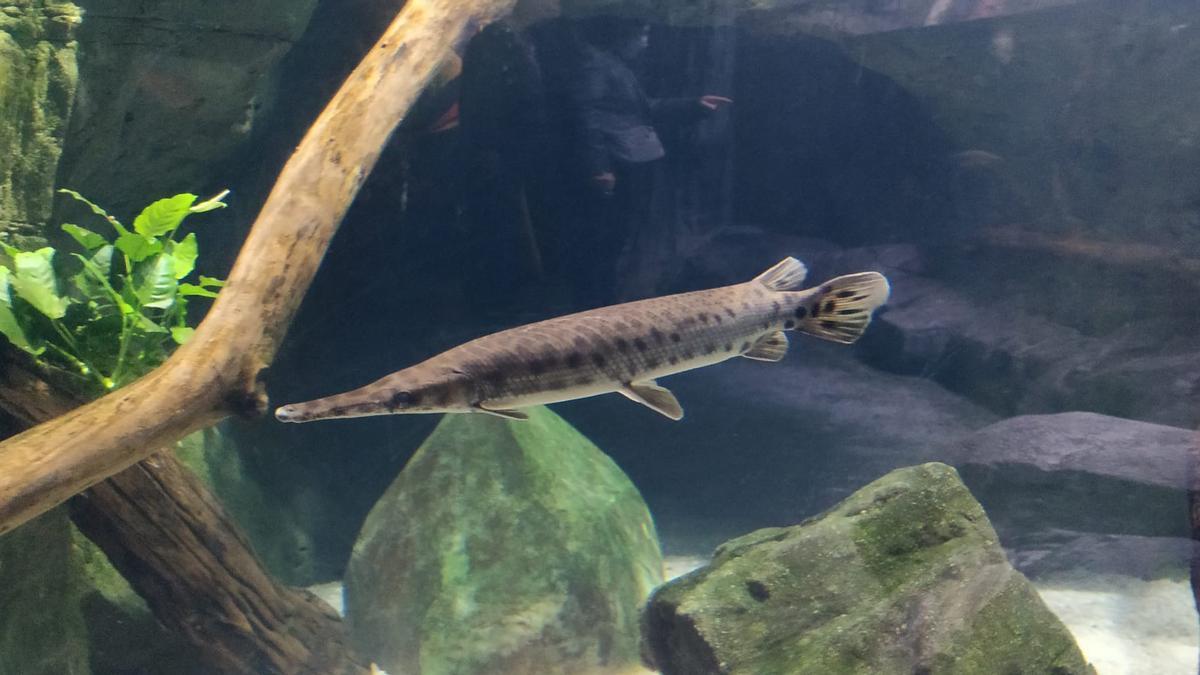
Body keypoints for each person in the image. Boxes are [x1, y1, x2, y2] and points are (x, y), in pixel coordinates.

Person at [564, 16, 732, 309]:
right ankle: (596, 303)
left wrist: (693, 105)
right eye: (641, 35)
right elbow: (586, 118)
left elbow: (642, 109)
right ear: (621, 35)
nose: (646, 42)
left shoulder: (614, 66)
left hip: (631, 162)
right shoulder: (596, 66)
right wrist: (599, 167)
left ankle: (609, 298)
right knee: (611, 237)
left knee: (625, 234)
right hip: (618, 165)